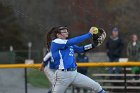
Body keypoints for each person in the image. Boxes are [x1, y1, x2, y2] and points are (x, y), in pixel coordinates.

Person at [46, 26, 106, 93]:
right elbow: (72, 41)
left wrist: (93, 45)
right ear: (58, 35)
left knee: (96, 86)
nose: (67, 32)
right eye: (64, 31)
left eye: (67, 31)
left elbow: (81, 49)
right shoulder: (56, 42)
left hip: (74, 74)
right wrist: (89, 34)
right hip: (63, 76)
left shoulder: (67, 43)